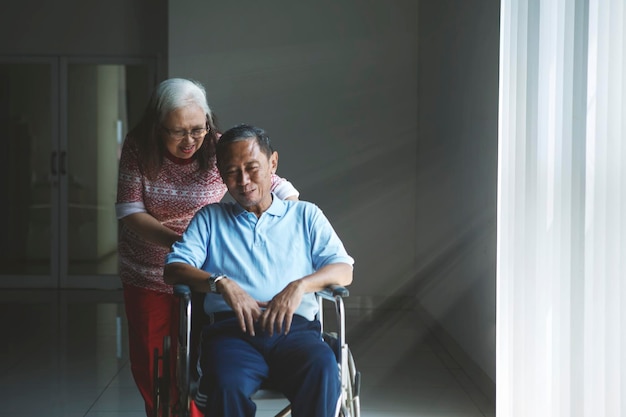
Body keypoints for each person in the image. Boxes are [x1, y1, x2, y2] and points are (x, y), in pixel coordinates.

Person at [115, 79, 299, 417]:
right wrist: (183, 243)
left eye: (197, 130)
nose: (190, 141)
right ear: (158, 126)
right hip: (148, 271)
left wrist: (288, 226)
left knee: (199, 361)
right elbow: (129, 211)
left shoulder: (217, 146)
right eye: (177, 132)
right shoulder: (138, 147)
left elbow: (279, 187)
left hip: (204, 272)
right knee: (152, 361)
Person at [163, 124, 354, 417]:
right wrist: (220, 282)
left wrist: (300, 286)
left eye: (252, 168)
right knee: (226, 385)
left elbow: (343, 270)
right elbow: (174, 269)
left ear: (273, 163)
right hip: (232, 335)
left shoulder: (305, 215)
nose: (244, 181)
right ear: (221, 174)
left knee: (324, 370)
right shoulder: (211, 219)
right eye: (232, 172)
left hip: (296, 333)